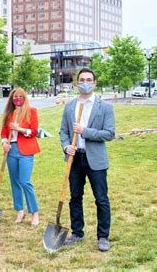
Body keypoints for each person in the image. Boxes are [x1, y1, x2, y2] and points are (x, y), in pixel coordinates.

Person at [59, 68, 115, 252]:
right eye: (82, 79)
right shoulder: (69, 106)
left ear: (94, 83)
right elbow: (64, 132)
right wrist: (66, 146)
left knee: (101, 199)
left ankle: (103, 236)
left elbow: (109, 133)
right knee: (75, 197)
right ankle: (77, 233)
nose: (85, 82)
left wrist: (85, 131)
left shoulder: (104, 107)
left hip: (96, 160)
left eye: (89, 79)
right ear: (77, 83)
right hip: (74, 158)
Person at [0, 87, 41, 226]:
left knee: (25, 182)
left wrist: (20, 129)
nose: (18, 99)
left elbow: (34, 131)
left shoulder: (31, 111)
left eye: (21, 96)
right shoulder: (9, 114)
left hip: (26, 151)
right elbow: (4, 133)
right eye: (15, 97)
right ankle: (19, 211)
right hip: (12, 150)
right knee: (15, 182)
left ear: (25, 98)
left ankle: (34, 212)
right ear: (11, 99)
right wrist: (4, 143)